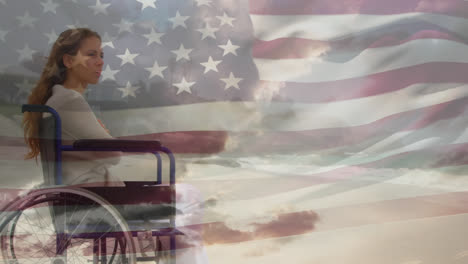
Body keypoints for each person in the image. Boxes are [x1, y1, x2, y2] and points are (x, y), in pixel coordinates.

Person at [23, 28, 122, 186]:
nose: (100, 61)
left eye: (101, 55)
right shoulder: (71, 101)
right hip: (94, 191)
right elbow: (114, 155)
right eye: (91, 54)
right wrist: (106, 136)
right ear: (69, 61)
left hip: (78, 191)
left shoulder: (56, 99)